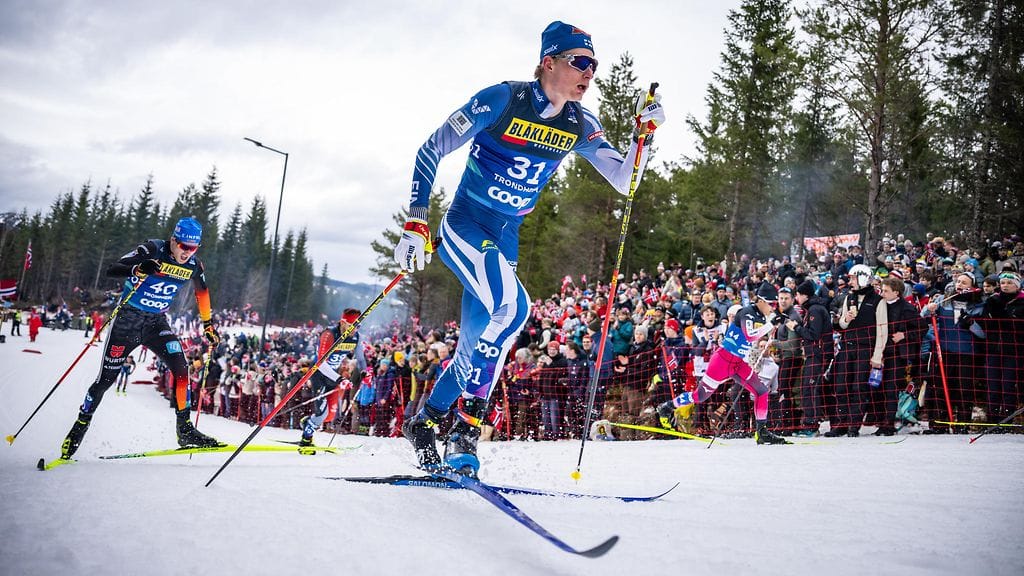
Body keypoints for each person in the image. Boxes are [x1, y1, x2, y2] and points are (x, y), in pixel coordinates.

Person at [395, 21, 665, 475]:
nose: (589, 73)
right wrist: (417, 218)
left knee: (481, 346)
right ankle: (465, 430)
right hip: (466, 223)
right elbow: (432, 147)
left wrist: (644, 137)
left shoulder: (581, 122)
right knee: (513, 310)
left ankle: (427, 420)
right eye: (580, 62)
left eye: (594, 65)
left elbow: (626, 180)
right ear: (549, 62)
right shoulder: (503, 99)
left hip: (506, 235)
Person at [57, 217, 221, 461]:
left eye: (193, 248)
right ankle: (80, 425)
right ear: (174, 240)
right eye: (184, 246)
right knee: (105, 380)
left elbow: (202, 291)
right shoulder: (153, 249)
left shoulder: (194, 265)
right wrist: (138, 268)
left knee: (181, 367)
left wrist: (208, 324)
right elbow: (113, 270)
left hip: (156, 323)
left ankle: (184, 430)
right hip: (128, 321)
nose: (187, 253)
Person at [658, 283, 789, 444]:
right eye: (772, 304)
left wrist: (776, 322)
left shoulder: (761, 317)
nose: (774, 307)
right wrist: (772, 323)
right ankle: (668, 407)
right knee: (700, 396)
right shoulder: (746, 312)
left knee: (761, 391)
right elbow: (749, 335)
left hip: (738, 364)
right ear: (762, 301)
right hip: (722, 361)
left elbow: (758, 334)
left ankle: (761, 432)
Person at [827, 264, 888, 437]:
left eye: (852, 278)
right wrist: (845, 319)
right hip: (848, 346)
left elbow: (882, 331)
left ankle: (854, 424)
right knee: (841, 386)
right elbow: (842, 325)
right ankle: (841, 423)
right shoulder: (849, 298)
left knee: (858, 388)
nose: (850, 281)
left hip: (866, 349)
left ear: (862, 278)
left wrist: (877, 355)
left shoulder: (878, 301)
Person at [296, 308, 366, 453]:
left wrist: (366, 371)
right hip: (319, 375)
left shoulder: (355, 337)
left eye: (358, 326)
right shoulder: (329, 334)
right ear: (342, 322)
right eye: (352, 325)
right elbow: (321, 363)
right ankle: (306, 440)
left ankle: (307, 422)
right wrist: (340, 379)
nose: (355, 329)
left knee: (329, 416)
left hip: (333, 376)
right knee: (321, 414)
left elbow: (360, 358)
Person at [787, 279, 833, 436]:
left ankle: (811, 425)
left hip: (818, 355)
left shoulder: (814, 310)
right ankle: (811, 423)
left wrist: (797, 328)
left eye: (798, 295)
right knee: (808, 388)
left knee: (809, 389)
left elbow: (814, 334)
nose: (797, 299)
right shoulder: (811, 309)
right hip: (814, 354)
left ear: (805, 295)